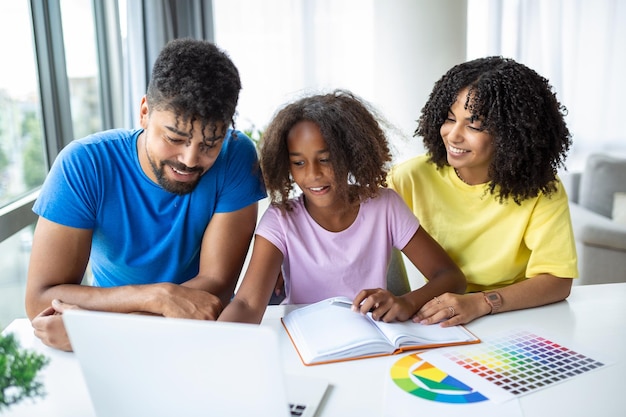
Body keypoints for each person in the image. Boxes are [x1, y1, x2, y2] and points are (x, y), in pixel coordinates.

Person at [25, 38, 266, 351]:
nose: (190, 159)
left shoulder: (235, 156)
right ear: (144, 112)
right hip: (125, 335)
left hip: (195, 336)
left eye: (209, 145)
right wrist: (158, 297)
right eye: (175, 138)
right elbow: (40, 301)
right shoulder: (84, 164)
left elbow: (215, 290)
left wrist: (100, 330)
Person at [218, 90, 466, 325]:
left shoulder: (385, 206)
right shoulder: (280, 219)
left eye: (325, 159)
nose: (313, 174)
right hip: (306, 342)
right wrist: (212, 345)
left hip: (374, 337)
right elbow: (247, 303)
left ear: (350, 154)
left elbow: (450, 277)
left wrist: (406, 302)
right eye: (299, 162)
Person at [387, 56, 578, 327]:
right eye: (450, 119)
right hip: (435, 319)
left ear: (513, 133)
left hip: (516, 317)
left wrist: (482, 303)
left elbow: (558, 281)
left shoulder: (541, 187)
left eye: (474, 125)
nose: (453, 135)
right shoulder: (409, 178)